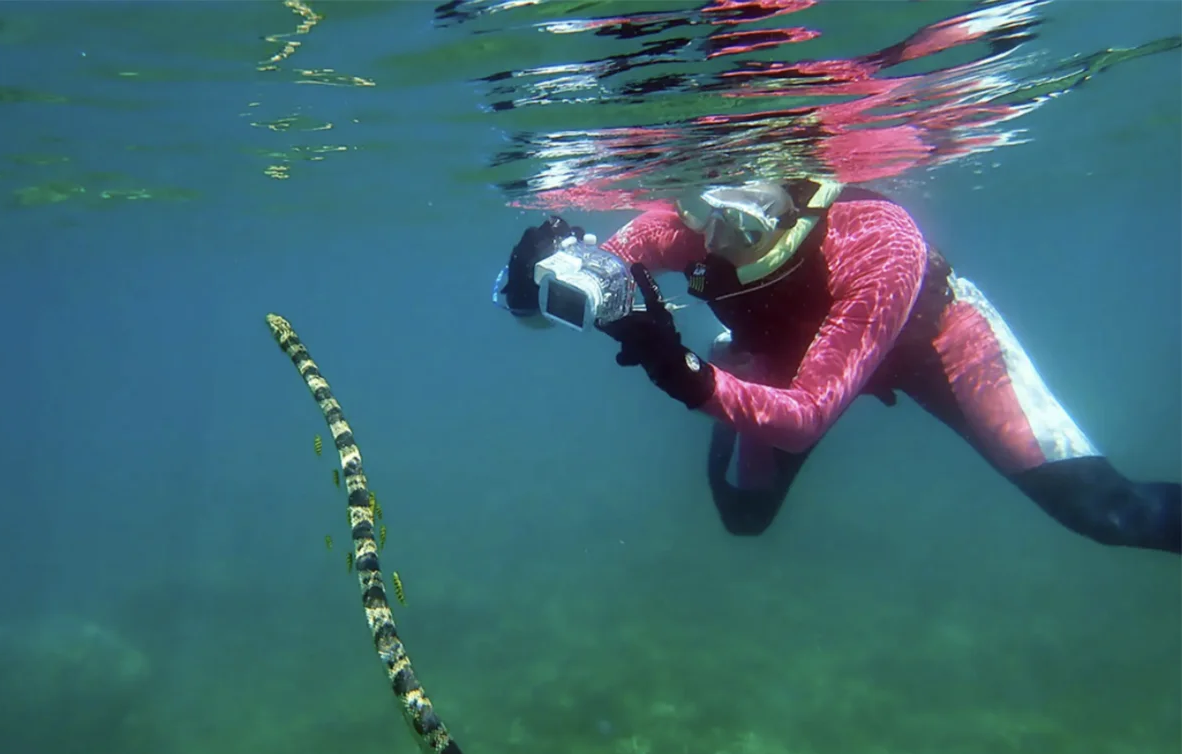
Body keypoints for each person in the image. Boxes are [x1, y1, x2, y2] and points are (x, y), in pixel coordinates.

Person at [494, 179, 1181, 554]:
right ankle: (733, 382)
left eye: (743, 207)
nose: (719, 231)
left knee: (1104, 512)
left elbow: (805, 416)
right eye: (707, 204)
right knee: (744, 517)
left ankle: (728, 378)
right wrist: (527, 280)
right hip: (782, 357)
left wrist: (687, 374)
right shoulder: (686, 220)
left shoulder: (877, 242)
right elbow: (600, 274)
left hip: (931, 340)